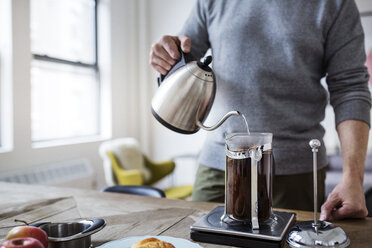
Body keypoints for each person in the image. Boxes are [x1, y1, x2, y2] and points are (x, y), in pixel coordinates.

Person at [150, 0, 370, 220]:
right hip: (218, 165)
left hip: (294, 173)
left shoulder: (336, 4)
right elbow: (185, 57)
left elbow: (350, 88)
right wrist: (168, 56)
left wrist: (352, 178)